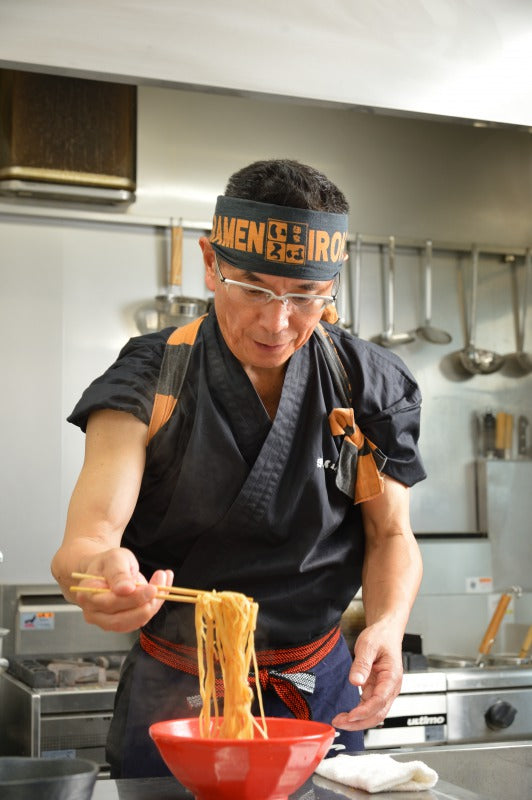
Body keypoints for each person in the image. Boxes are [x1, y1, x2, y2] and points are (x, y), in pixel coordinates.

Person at [51, 158, 425, 778]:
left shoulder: (367, 384)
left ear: (332, 285)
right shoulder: (153, 376)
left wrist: (387, 625)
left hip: (320, 693)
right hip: (177, 695)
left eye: (305, 296)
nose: (277, 322)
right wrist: (100, 574)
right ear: (209, 262)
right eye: (252, 286)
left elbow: (391, 535)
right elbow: (85, 544)